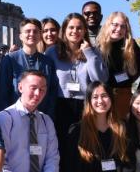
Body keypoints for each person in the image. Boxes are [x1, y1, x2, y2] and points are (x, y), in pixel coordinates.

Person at [44, 13, 108, 143]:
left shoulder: (93, 51)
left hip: (85, 105)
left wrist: (89, 53)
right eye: (71, 27)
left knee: (84, 146)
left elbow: (100, 80)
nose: (75, 31)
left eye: (79, 28)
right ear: (65, 30)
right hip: (60, 105)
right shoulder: (52, 52)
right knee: (61, 145)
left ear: (85, 30)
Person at [0, 18, 59, 117]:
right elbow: (3, 92)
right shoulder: (10, 59)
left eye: (35, 32)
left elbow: (51, 92)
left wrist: (48, 117)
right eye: (27, 31)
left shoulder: (48, 62)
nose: (32, 34)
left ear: (39, 35)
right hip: (15, 116)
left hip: (41, 116)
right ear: (21, 36)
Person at [97, 11, 140, 121]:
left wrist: (127, 79)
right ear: (108, 25)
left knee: (123, 130)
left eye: (123, 26)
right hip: (103, 95)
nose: (119, 29)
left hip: (124, 95)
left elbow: (138, 69)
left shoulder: (131, 46)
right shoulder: (99, 46)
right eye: (115, 25)